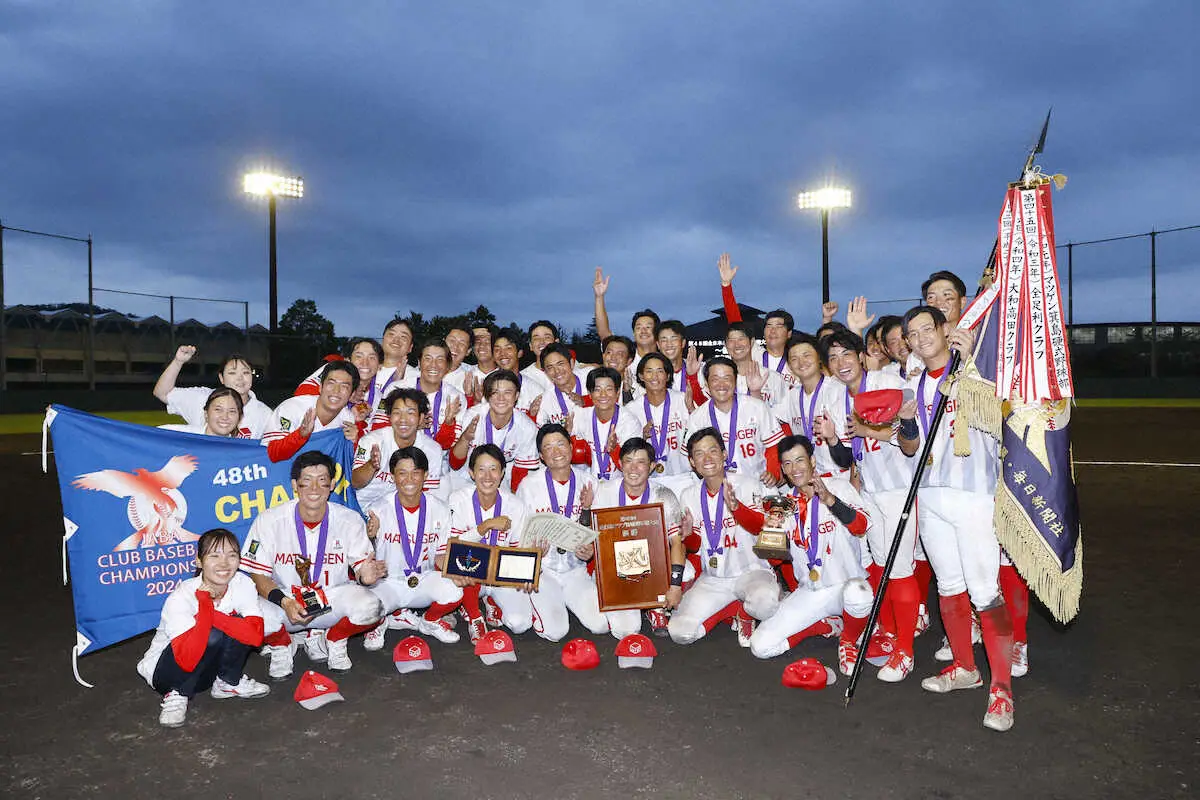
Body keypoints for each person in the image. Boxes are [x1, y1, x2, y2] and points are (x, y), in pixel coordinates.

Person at [898, 305, 1015, 732]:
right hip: (930, 495)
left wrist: (971, 367)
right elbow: (910, 447)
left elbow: (1002, 417)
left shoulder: (975, 368)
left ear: (945, 330)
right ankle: (966, 668)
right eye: (913, 333)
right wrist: (907, 423)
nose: (921, 337)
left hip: (974, 495)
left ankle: (1001, 689)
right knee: (949, 586)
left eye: (928, 328)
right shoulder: (911, 382)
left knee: (985, 591)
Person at [822, 329, 920, 681]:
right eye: (832, 358)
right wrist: (835, 439)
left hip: (900, 488)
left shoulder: (887, 380)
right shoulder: (835, 398)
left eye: (846, 354)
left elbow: (911, 439)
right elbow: (846, 455)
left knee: (900, 568)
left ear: (862, 355)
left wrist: (868, 432)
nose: (840, 363)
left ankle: (906, 651)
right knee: (882, 564)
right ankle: (891, 632)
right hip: (871, 491)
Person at [731, 437, 874, 669]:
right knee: (761, 646)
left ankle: (848, 641)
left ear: (813, 461)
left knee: (860, 593)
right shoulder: (785, 505)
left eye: (799, 460)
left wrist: (830, 500)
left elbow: (860, 526)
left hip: (844, 585)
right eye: (787, 464)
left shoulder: (838, 486)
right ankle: (826, 625)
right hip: (811, 590)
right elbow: (775, 558)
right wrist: (771, 530)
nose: (794, 469)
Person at [240, 451, 385, 677]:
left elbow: (361, 569)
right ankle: (282, 644)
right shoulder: (269, 520)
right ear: (294, 485)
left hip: (330, 599)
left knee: (372, 606)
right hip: (286, 602)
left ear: (332, 484)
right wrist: (285, 602)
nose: (315, 489)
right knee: (248, 614)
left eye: (322, 481)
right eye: (307, 482)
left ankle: (334, 639)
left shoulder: (349, 519)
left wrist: (366, 575)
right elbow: (258, 575)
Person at [137, 528, 268, 728]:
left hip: (204, 672)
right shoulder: (182, 596)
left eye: (231, 556)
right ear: (199, 561)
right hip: (166, 672)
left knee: (240, 624)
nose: (224, 563)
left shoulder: (243, 584)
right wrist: (205, 605)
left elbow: (255, 637)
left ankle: (226, 682)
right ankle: (177, 693)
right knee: (213, 634)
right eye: (214, 556)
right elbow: (187, 659)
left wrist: (209, 613)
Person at [669, 427, 780, 646]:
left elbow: (761, 527)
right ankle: (733, 609)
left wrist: (737, 507)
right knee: (680, 633)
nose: (707, 458)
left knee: (765, 604)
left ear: (724, 454)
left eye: (713, 451)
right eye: (699, 454)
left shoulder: (747, 484)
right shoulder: (689, 495)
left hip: (752, 572)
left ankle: (747, 614)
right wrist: (689, 535)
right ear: (692, 462)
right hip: (715, 578)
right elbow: (695, 545)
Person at [516, 424, 626, 641]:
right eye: (548, 447)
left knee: (601, 625)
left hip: (576, 569)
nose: (556, 452)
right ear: (541, 456)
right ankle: (537, 603)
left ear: (571, 446)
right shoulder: (528, 486)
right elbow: (520, 534)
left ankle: (564, 601)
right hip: (544, 570)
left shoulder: (589, 482)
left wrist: (591, 550)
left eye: (560, 444)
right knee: (556, 632)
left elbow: (603, 531)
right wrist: (532, 555)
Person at [362, 447, 464, 649]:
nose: (409, 479)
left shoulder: (440, 509)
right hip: (387, 583)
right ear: (392, 476)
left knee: (455, 590)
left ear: (425, 475)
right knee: (367, 605)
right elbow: (365, 559)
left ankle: (430, 621)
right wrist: (370, 537)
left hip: (422, 580)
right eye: (402, 473)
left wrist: (457, 572)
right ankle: (382, 621)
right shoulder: (378, 509)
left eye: (415, 472)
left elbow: (441, 554)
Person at [590, 437, 687, 636]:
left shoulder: (664, 495)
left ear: (652, 466)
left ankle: (656, 605)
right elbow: (596, 540)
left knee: (689, 572)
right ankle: (642, 603)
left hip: (652, 564)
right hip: (616, 566)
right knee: (627, 630)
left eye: (641, 462)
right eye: (628, 461)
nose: (634, 468)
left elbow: (676, 542)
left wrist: (675, 586)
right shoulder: (605, 491)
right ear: (620, 464)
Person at [448, 445, 533, 641]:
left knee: (520, 624)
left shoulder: (515, 505)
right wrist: (485, 526)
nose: (488, 476)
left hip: (501, 574)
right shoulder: (458, 499)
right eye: (481, 469)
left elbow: (518, 550)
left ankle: (490, 598)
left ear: (503, 473)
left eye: (494, 469)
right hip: (468, 572)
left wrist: (528, 571)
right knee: (459, 558)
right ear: (471, 473)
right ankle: (474, 615)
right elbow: (452, 546)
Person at [685, 357, 784, 487]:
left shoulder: (757, 407)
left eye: (727, 378)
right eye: (715, 379)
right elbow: (692, 455)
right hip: (718, 488)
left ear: (735, 381)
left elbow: (773, 446)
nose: (721, 384)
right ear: (707, 385)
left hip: (758, 484)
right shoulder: (697, 417)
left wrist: (773, 473)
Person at [352, 388, 449, 507]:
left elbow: (427, 494)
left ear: (421, 418)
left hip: (397, 512)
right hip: (360, 506)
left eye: (410, 413)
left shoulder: (432, 449)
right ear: (389, 416)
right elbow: (355, 482)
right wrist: (371, 465)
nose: (403, 419)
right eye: (397, 412)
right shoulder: (372, 441)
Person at [152, 346, 272, 438]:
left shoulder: (264, 414)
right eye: (232, 373)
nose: (240, 378)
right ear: (221, 378)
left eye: (245, 372)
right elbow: (162, 393)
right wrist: (178, 361)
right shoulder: (201, 398)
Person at [451, 369, 540, 491]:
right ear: (487, 396)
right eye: (495, 392)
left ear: (517, 395)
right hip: (464, 475)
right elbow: (455, 463)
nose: (501, 398)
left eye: (508, 392)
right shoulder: (471, 416)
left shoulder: (527, 427)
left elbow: (520, 471)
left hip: (500, 478)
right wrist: (465, 438)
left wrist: (513, 497)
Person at [622, 353, 694, 498]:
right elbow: (627, 451)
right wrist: (640, 437)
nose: (655, 377)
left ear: (667, 376)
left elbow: (700, 434)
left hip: (684, 477)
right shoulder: (631, 410)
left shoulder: (683, 400)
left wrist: (692, 411)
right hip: (648, 480)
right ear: (641, 376)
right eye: (649, 371)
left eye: (660, 371)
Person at [261, 360, 360, 462]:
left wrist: (353, 442)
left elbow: (346, 463)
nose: (336, 391)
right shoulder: (292, 408)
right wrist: (300, 435)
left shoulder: (347, 419)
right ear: (320, 387)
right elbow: (271, 454)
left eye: (344, 386)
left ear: (352, 395)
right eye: (331, 383)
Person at [567, 367, 641, 482]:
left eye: (609, 389)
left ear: (617, 393)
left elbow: (634, 466)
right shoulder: (578, 417)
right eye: (597, 389)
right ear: (589, 394)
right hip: (588, 484)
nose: (603, 394)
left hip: (621, 485)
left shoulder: (629, 422)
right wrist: (565, 434)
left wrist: (614, 449)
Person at [534, 343, 589, 427]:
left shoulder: (590, 379)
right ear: (545, 372)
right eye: (550, 368)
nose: (557, 371)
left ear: (571, 363)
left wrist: (587, 401)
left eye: (560, 364)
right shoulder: (545, 400)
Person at [159, 387, 245, 438]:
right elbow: (149, 438)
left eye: (232, 411)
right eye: (218, 410)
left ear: (239, 418)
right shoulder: (179, 436)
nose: (225, 417)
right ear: (206, 414)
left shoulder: (242, 453)